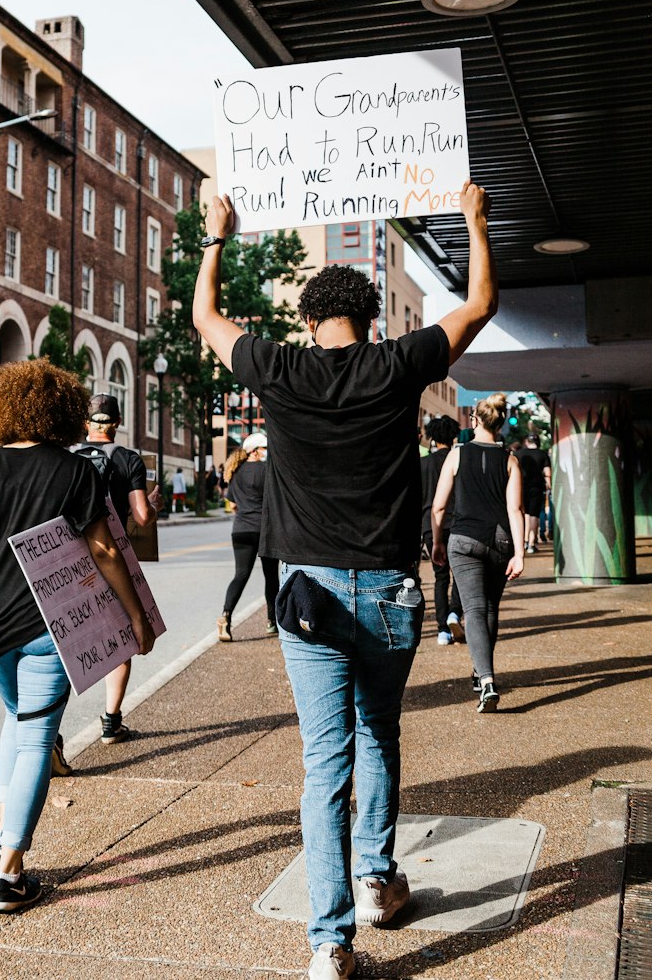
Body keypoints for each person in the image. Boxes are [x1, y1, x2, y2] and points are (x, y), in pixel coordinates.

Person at [191, 182, 497, 980]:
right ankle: (376, 882)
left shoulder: (280, 368)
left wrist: (217, 235)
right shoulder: (399, 363)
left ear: (308, 321)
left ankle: (330, 944)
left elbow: (204, 320)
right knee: (379, 734)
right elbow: (482, 304)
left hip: (310, 597)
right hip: (390, 591)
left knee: (325, 761)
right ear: (372, 317)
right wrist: (474, 223)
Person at [0, 360, 155, 914]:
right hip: (48, 626)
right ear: (64, 410)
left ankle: (2, 837)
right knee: (35, 738)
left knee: (18, 722)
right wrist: (135, 615)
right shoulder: (73, 473)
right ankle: (11, 871)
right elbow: (105, 551)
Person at [431, 394, 526, 713]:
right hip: (499, 540)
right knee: (489, 609)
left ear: (475, 421)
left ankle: (485, 679)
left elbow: (439, 505)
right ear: (499, 424)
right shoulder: (510, 460)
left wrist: (437, 543)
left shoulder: (457, 455)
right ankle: (481, 670)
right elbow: (516, 510)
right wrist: (520, 553)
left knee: (472, 608)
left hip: (464, 538)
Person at [72, 393, 157, 747]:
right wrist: (152, 505)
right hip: (113, 557)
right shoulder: (129, 460)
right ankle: (111, 721)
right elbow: (141, 517)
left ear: (85, 424)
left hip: (71, 560)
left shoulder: (69, 457)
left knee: (70, 641)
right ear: (118, 423)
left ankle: (52, 736)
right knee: (120, 639)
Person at [218, 432, 279, 640]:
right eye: (264, 449)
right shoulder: (267, 470)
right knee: (271, 576)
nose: (266, 452)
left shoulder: (235, 472)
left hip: (241, 529)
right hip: (264, 530)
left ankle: (226, 617)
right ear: (254, 451)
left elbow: (233, 504)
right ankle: (273, 621)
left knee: (241, 575)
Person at [418, 417, 464, 645]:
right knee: (461, 575)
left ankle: (441, 630)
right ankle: (455, 612)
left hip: (430, 524)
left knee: (440, 577)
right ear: (453, 435)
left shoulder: (423, 464)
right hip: (458, 522)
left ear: (432, 436)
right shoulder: (459, 461)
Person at [512, 434, 552, 553]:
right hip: (537, 487)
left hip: (520, 487)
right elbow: (548, 473)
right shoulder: (543, 454)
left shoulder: (518, 454)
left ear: (527, 442)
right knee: (534, 515)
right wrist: (549, 486)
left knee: (524, 513)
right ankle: (532, 543)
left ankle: (523, 541)